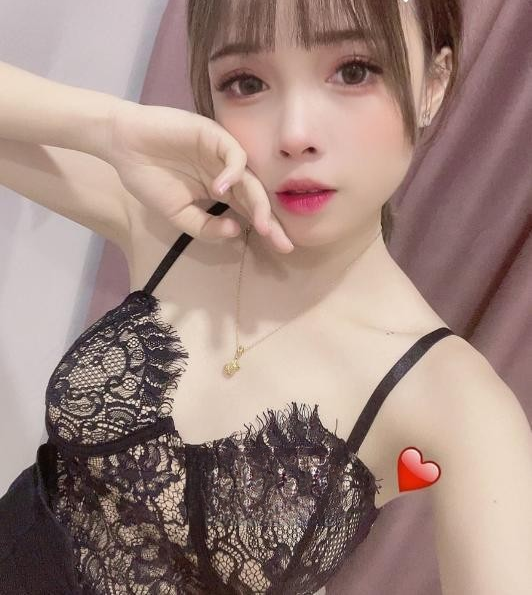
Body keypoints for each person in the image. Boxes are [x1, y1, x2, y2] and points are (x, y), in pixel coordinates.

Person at [1, 1, 531, 594]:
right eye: (246, 82)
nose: (295, 134)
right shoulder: (174, 222)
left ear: (433, 83)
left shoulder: (452, 398)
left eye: (353, 71)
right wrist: (109, 126)